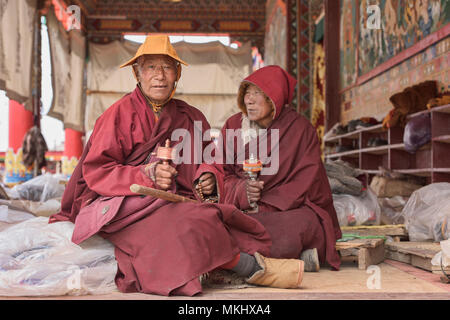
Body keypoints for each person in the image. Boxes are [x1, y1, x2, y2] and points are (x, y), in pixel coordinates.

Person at [49, 35, 305, 296]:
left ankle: (236, 263)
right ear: (137, 73)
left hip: (171, 198)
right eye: (150, 67)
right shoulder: (118, 114)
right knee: (183, 222)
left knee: (212, 215)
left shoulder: (190, 116)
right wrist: (146, 173)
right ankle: (247, 267)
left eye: (167, 67)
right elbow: (97, 170)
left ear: (177, 73)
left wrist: (207, 176)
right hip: (123, 200)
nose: (159, 76)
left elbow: (211, 159)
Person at [218, 65, 342, 272]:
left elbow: (308, 181)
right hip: (239, 206)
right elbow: (221, 172)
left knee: (301, 224)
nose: (249, 100)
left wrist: (266, 202)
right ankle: (286, 257)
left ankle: (241, 257)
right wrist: (242, 191)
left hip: (283, 209)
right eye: (246, 93)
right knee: (212, 220)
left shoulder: (300, 129)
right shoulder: (233, 126)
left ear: (275, 97)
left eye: (257, 93)